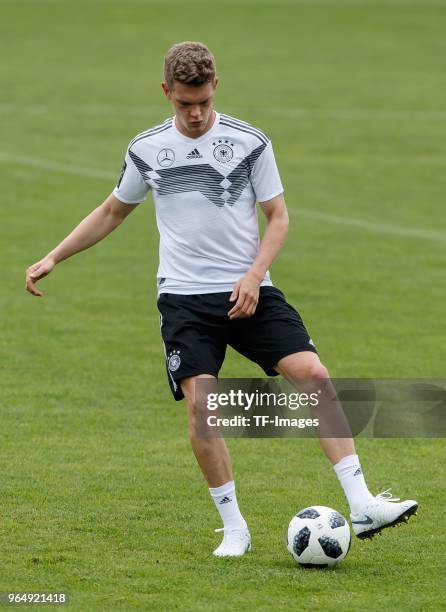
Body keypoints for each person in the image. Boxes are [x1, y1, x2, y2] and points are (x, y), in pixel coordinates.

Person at [26, 41, 418, 557]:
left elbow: (277, 216)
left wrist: (255, 276)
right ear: (166, 92)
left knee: (316, 376)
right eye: (184, 103)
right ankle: (234, 527)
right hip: (185, 300)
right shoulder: (147, 148)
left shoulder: (250, 142)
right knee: (203, 408)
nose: (195, 114)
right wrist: (54, 256)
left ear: (216, 89)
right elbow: (112, 211)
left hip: (250, 289)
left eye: (204, 103)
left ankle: (362, 502)